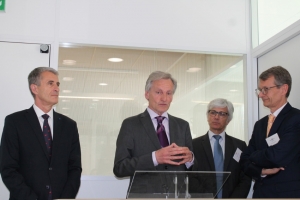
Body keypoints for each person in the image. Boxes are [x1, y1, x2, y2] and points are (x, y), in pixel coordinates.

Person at [0, 67, 82, 200]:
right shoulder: (15, 122)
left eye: (57, 84)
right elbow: (8, 169)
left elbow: (75, 168)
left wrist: (65, 198)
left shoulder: (69, 126)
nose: (57, 88)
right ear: (34, 88)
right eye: (50, 83)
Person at [113, 71, 194, 194]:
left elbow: (193, 169)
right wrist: (154, 158)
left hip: (177, 195)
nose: (164, 98)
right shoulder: (130, 125)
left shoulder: (182, 126)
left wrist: (190, 159)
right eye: (158, 92)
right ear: (147, 94)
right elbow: (120, 168)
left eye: (169, 93)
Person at [240, 66, 300, 198]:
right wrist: (261, 170)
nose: (261, 94)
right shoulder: (260, 124)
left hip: (287, 195)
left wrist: (254, 156)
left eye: (266, 89)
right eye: (260, 90)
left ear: (284, 89)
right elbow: (244, 160)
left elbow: (277, 156)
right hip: (261, 194)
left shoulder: (296, 119)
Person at [190, 98, 251, 198]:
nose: (216, 117)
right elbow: (191, 176)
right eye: (213, 112)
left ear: (229, 120)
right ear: (208, 116)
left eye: (222, 114)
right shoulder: (194, 145)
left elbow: (245, 178)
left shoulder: (239, 146)